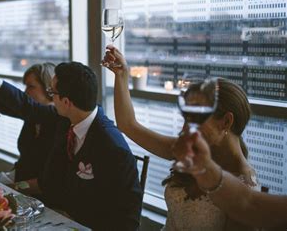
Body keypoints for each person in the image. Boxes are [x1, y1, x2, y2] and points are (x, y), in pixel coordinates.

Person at [0, 56, 142, 230]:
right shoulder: (65, 119)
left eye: (52, 92)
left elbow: (127, 218)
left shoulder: (112, 146)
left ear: (66, 101)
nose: (50, 97)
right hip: (56, 215)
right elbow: (25, 105)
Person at [103, 45, 257, 231]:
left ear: (225, 122)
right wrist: (122, 75)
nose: (184, 128)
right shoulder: (192, 151)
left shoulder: (244, 186)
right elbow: (128, 125)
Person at [172, 130, 287, 229]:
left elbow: (249, 204)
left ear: (226, 122)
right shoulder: (193, 154)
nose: (184, 128)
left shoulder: (246, 178)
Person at [0, 63, 57, 191]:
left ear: (48, 87)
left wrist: (9, 188)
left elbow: (19, 101)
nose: (25, 92)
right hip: (18, 183)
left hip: (41, 194)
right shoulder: (31, 116)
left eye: (31, 86)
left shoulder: (55, 117)